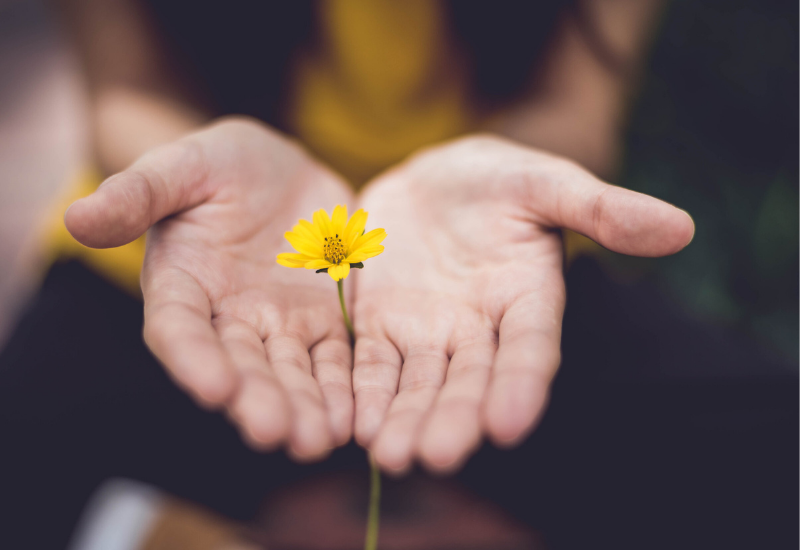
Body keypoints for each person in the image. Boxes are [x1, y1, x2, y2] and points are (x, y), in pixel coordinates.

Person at [1, 1, 795, 549]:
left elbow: (573, 108)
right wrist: (185, 170)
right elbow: (128, 89)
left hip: (481, 270)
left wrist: (510, 167)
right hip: (204, 264)